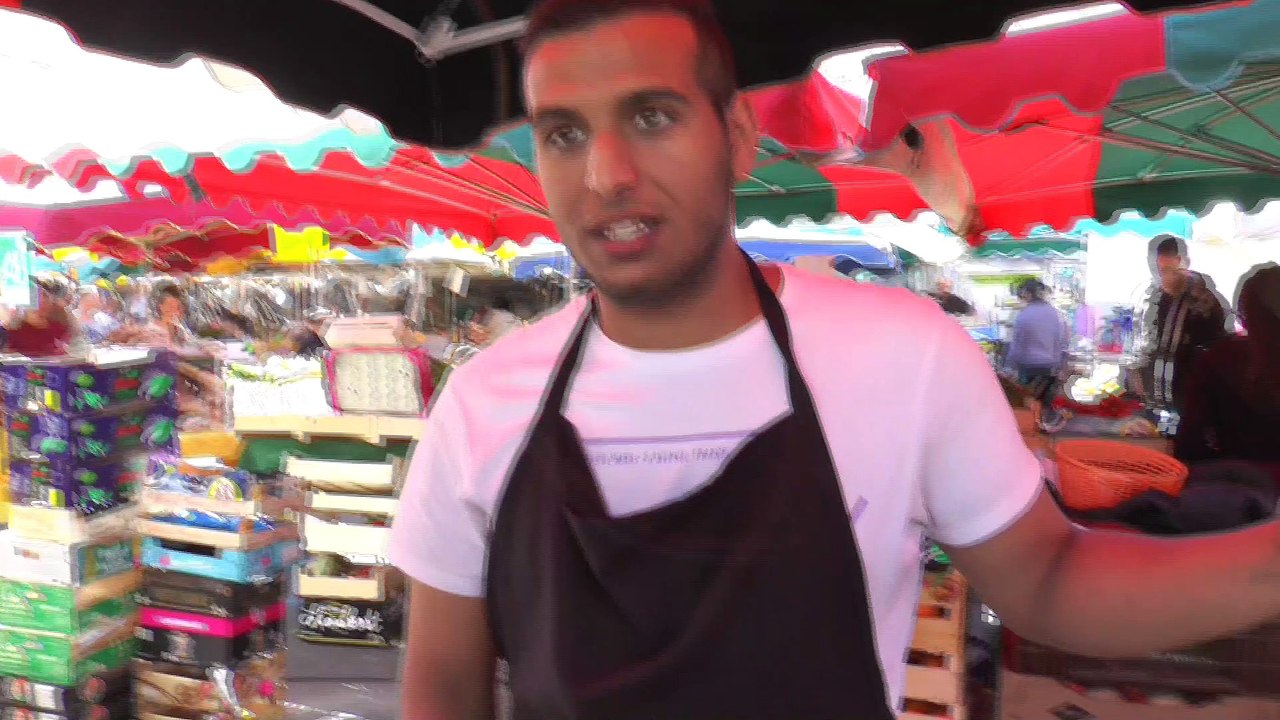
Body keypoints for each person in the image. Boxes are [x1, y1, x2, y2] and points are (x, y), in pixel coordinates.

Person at [388, 2, 1280, 718]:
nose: (606, 175)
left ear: (738, 133)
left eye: (651, 116)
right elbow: (443, 690)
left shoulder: (903, 356)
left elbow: (1050, 579)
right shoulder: (483, 404)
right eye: (564, 134)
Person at [1175, 263, 1280, 483]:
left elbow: (1189, 445)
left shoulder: (1219, 358)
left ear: (1245, 312)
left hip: (1237, 487)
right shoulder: (1220, 357)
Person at [1131, 235, 1229, 414]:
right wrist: (1139, 372)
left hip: (1191, 398)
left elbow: (1217, 351)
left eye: (1170, 270)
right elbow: (1147, 342)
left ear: (1184, 264)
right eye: (1161, 271)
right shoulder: (1157, 298)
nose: (1165, 277)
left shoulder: (1205, 303)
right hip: (1158, 396)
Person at [1004, 278, 1068, 400]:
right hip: (1050, 367)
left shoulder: (1024, 314)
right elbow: (1062, 341)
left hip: (1028, 367)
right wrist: (1060, 365)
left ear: (1027, 293)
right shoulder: (1054, 313)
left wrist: (1010, 367)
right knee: (1046, 401)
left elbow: (1018, 343)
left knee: (1030, 402)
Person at [0, 279, 76, 356]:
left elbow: (70, 350)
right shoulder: (13, 332)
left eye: (45, 297)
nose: (43, 301)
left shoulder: (59, 328)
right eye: (36, 299)